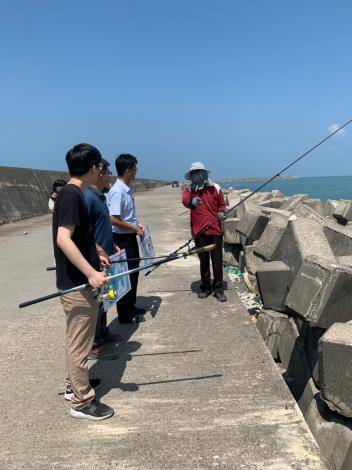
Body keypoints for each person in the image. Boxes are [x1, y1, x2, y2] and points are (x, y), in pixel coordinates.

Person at [52, 143, 114, 420]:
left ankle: (74, 386)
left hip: (80, 281)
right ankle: (82, 401)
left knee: (81, 339)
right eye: (100, 166)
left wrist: (96, 251)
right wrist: (90, 273)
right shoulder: (71, 195)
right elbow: (63, 238)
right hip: (77, 285)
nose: (101, 171)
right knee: (79, 344)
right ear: (93, 168)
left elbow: (78, 236)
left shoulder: (75, 193)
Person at [84, 159, 123, 356]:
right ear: (99, 173)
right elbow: (84, 233)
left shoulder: (99, 196)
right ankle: (95, 344)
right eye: (107, 172)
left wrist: (111, 244)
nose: (109, 176)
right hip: (96, 259)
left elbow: (103, 226)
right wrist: (99, 250)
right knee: (97, 301)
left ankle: (103, 332)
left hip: (107, 255)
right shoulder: (89, 198)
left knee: (107, 297)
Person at [107, 154, 146, 323]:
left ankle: (131, 306)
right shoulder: (118, 191)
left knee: (134, 272)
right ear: (128, 170)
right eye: (135, 169)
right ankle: (124, 313)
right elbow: (113, 219)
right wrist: (134, 228)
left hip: (130, 237)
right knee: (125, 275)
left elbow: (127, 216)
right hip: (122, 239)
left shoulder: (125, 189)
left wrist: (137, 226)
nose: (136, 172)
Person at [182, 162, 227, 302]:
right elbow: (184, 200)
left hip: (215, 231)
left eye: (199, 172)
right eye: (194, 173)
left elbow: (222, 205)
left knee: (217, 261)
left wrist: (221, 213)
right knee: (204, 261)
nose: (197, 175)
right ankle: (206, 287)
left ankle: (218, 289)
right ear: (191, 176)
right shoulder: (189, 189)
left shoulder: (215, 187)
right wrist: (192, 202)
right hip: (199, 231)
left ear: (205, 173)